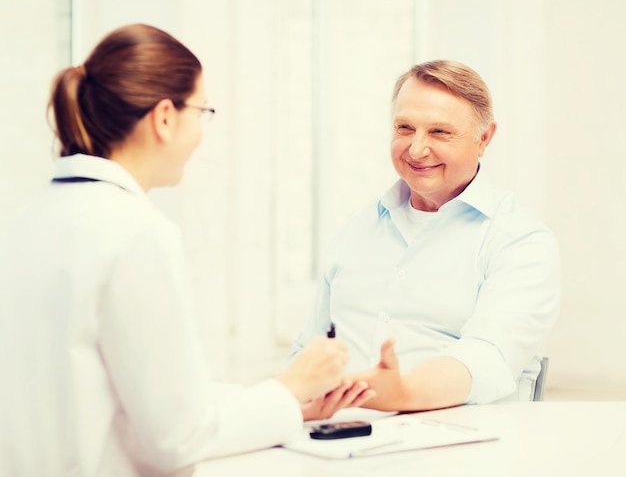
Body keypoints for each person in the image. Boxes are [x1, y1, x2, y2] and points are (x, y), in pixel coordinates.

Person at [0, 24, 373, 477]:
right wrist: (290, 390)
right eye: (203, 111)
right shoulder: (137, 232)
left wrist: (285, 394)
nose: (201, 131)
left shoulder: (28, 220)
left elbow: (132, 401)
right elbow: (179, 439)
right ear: (164, 117)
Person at [290, 60, 560, 411]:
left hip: (461, 448)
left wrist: (399, 394)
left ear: (484, 138)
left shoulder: (522, 243)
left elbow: (488, 356)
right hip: (340, 441)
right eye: (405, 128)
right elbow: (308, 350)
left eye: (439, 132)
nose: (416, 150)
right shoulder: (354, 232)